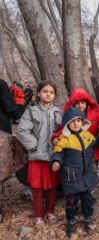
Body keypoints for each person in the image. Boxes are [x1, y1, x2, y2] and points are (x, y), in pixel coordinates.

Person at [17, 81, 62, 229]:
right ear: (38, 93)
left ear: (54, 95)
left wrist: (59, 141)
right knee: (37, 187)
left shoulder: (58, 112)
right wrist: (35, 147)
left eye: (51, 92)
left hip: (52, 157)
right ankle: (38, 216)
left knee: (51, 186)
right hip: (36, 157)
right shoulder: (31, 112)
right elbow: (22, 131)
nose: (48, 94)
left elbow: (63, 131)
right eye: (45, 91)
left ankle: (50, 212)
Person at [50, 107, 99, 238]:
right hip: (72, 177)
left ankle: (88, 218)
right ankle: (71, 221)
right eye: (73, 121)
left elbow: (95, 142)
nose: (76, 123)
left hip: (86, 176)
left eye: (79, 120)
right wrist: (56, 161)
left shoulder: (86, 135)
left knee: (87, 200)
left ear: (83, 122)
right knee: (71, 202)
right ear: (67, 123)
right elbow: (58, 152)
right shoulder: (64, 139)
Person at [51, 88, 99, 204]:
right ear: (73, 104)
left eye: (83, 102)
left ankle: (87, 195)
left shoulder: (95, 113)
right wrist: (55, 137)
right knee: (79, 175)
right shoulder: (70, 116)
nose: (80, 105)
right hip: (76, 152)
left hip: (92, 149)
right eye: (77, 103)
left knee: (90, 172)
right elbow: (62, 129)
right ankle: (79, 199)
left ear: (87, 102)